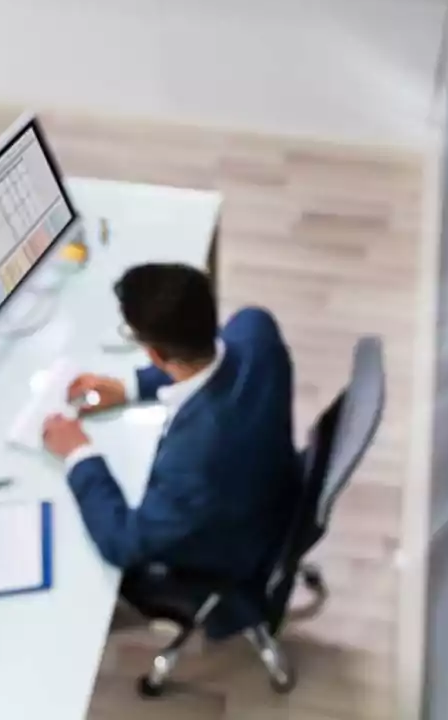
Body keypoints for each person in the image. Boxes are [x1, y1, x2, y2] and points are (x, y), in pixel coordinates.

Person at [42, 262, 301, 639]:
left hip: (235, 548)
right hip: (274, 486)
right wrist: (131, 387)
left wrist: (78, 453)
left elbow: (123, 543)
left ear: (155, 354)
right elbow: (211, 355)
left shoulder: (194, 461)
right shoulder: (255, 328)